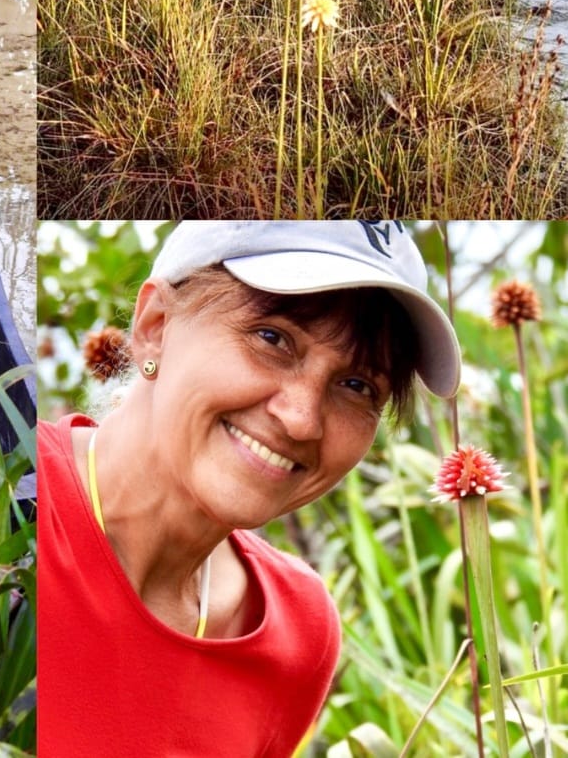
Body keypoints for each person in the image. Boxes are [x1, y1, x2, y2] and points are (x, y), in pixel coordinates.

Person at [39, 221, 461, 757]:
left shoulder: (298, 632)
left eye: (357, 386)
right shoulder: (6, 505)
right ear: (156, 326)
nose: (302, 419)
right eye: (273, 339)